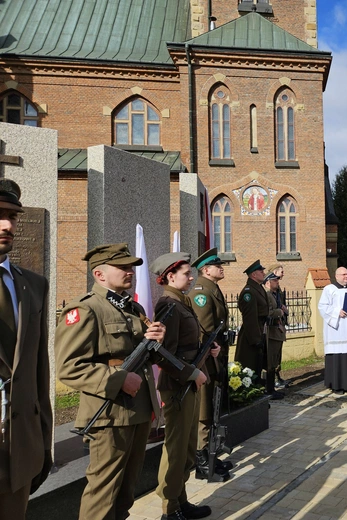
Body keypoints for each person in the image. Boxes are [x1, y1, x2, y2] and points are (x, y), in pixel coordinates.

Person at [56, 243, 165, 520]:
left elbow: (142, 357)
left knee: (127, 490)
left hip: (139, 408)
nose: (130, 272)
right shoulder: (86, 309)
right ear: (100, 274)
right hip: (109, 412)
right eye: (123, 267)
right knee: (103, 491)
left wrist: (154, 341)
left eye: (131, 267)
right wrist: (118, 379)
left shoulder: (134, 308)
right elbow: (69, 367)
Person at [151, 252, 219, 520]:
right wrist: (192, 373)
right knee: (176, 449)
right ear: (170, 276)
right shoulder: (168, 305)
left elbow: (187, 345)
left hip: (189, 383)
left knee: (187, 447)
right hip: (178, 385)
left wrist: (207, 349)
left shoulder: (182, 302)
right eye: (186, 273)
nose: (191, 277)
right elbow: (163, 353)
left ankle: (181, 501)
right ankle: (169, 509)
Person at [0, 180, 52, 518]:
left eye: (13, 217)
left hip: (19, 445)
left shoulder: (32, 285)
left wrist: (44, 439)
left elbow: (38, 368)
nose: (7, 225)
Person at [188, 248, 233, 481]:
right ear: (206, 270)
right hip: (208, 359)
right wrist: (213, 349)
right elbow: (204, 329)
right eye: (217, 265)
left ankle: (209, 454)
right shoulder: (201, 291)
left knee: (211, 408)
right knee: (204, 411)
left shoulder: (212, 288)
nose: (221, 267)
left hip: (216, 356)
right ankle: (202, 459)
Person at [235, 260, 277, 396]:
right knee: (250, 368)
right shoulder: (249, 292)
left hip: (260, 331)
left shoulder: (257, 288)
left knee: (258, 368)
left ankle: (257, 395)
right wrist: (255, 339)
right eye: (261, 271)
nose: (263, 273)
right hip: (251, 336)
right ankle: (249, 397)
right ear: (253, 274)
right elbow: (250, 318)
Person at [264, 272, 286, 399]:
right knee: (270, 362)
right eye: (275, 280)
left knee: (275, 361)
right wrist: (280, 311)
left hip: (277, 331)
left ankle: (272, 388)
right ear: (268, 282)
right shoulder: (267, 295)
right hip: (271, 332)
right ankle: (269, 390)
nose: (277, 282)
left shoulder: (275, 295)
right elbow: (268, 312)